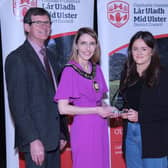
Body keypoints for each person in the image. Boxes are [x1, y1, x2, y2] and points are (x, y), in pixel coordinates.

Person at [5, 7, 69, 168]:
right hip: (36, 142)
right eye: (38, 23)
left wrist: (62, 133)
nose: (44, 26)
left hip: (54, 140)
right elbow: (18, 106)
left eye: (47, 22)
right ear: (27, 27)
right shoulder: (17, 58)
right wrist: (33, 139)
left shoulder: (53, 57)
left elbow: (57, 96)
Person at [54, 27, 117, 168]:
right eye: (83, 43)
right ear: (76, 45)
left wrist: (107, 109)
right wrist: (96, 110)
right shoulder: (69, 71)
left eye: (92, 43)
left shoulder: (96, 69)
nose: (88, 48)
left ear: (96, 46)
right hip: (84, 129)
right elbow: (63, 108)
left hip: (100, 127)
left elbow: (99, 101)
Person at [119, 31, 168, 168]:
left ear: (152, 51)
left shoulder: (163, 75)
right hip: (130, 133)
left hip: (154, 137)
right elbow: (127, 102)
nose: (139, 53)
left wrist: (141, 116)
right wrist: (123, 111)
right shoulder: (127, 73)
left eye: (144, 49)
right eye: (135, 49)